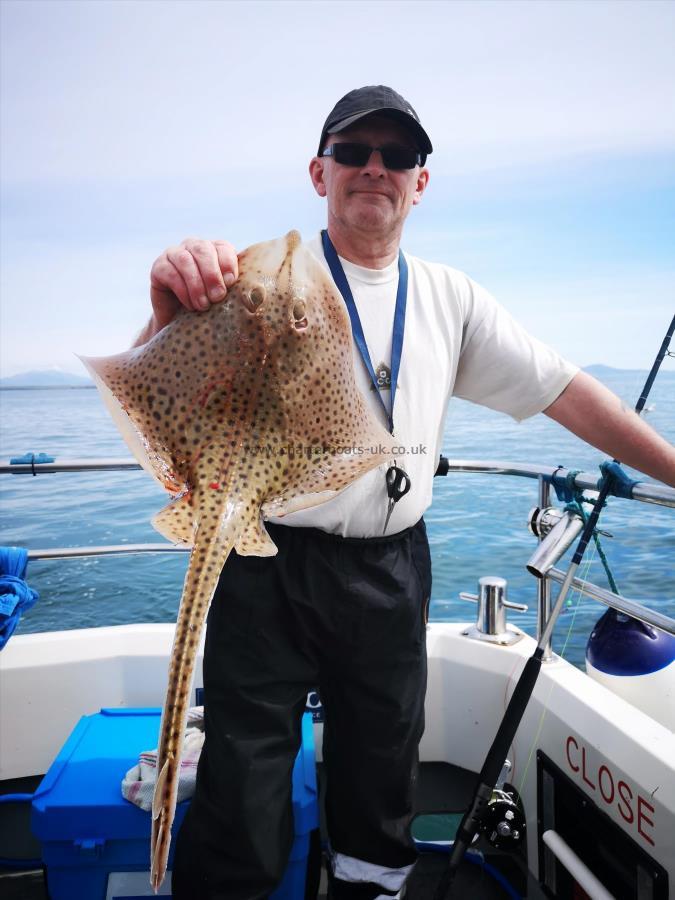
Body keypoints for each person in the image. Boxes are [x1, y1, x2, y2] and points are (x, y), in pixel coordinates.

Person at [138, 86, 675, 900]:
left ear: (420, 183)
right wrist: (166, 312)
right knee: (243, 766)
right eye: (352, 153)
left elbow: (565, 389)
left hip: (389, 565)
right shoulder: (252, 279)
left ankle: (372, 888)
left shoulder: (448, 297)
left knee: (384, 758)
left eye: (397, 157)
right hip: (264, 560)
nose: (374, 169)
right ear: (318, 173)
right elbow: (156, 385)